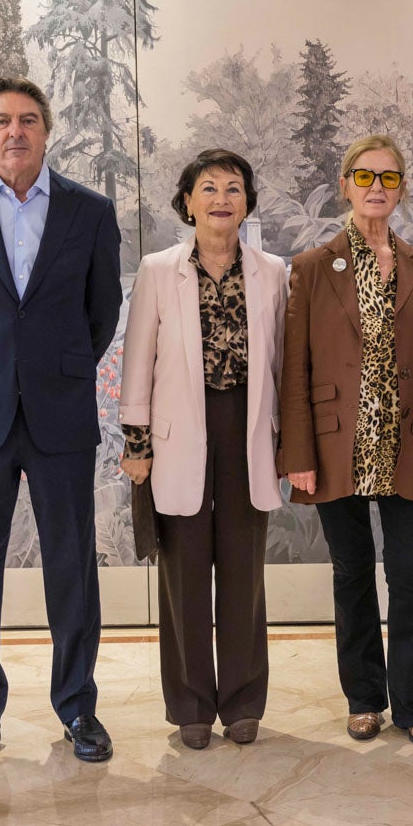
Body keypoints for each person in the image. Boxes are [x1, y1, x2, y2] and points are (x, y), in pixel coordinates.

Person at [0, 77, 123, 769]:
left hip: (60, 412)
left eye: (29, 120)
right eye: (2, 120)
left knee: (72, 565)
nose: (15, 131)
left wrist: (51, 368)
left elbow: (102, 313)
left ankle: (77, 707)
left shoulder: (89, 212)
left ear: (46, 131)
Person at [278, 134, 413, 749]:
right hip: (337, 449)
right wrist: (298, 456)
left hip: (407, 446)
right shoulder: (309, 268)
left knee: (410, 578)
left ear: (402, 188)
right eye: (364, 177)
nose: (376, 188)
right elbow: (295, 372)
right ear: (344, 185)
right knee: (351, 575)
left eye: (388, 178)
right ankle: (363, 699)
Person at [118, 149, 287, 749]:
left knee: (244, 571)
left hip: (247, 429)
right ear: (187, 201)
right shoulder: (159, 270)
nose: (221, 198)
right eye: (207, 187)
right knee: (184, 571)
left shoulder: (274, 271)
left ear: (248, 202)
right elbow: (137, 361)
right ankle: (189, 704)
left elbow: (284, 365)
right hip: (177, 437)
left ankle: (243, 701)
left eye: (233, 188)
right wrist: (136, 445)